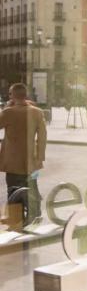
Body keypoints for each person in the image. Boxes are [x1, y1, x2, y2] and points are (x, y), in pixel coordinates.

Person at [0, 83, 47, 222]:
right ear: (25, 95)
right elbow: (42, 137)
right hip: (32, 160)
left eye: (10, 94)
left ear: (12, 96)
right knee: (32, 185)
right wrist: (40, 157)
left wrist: (5, 108)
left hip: (13, 161)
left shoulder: (8, 112)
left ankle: (15, 217)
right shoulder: (37, 112)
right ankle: (36, 213)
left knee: (13, 188)